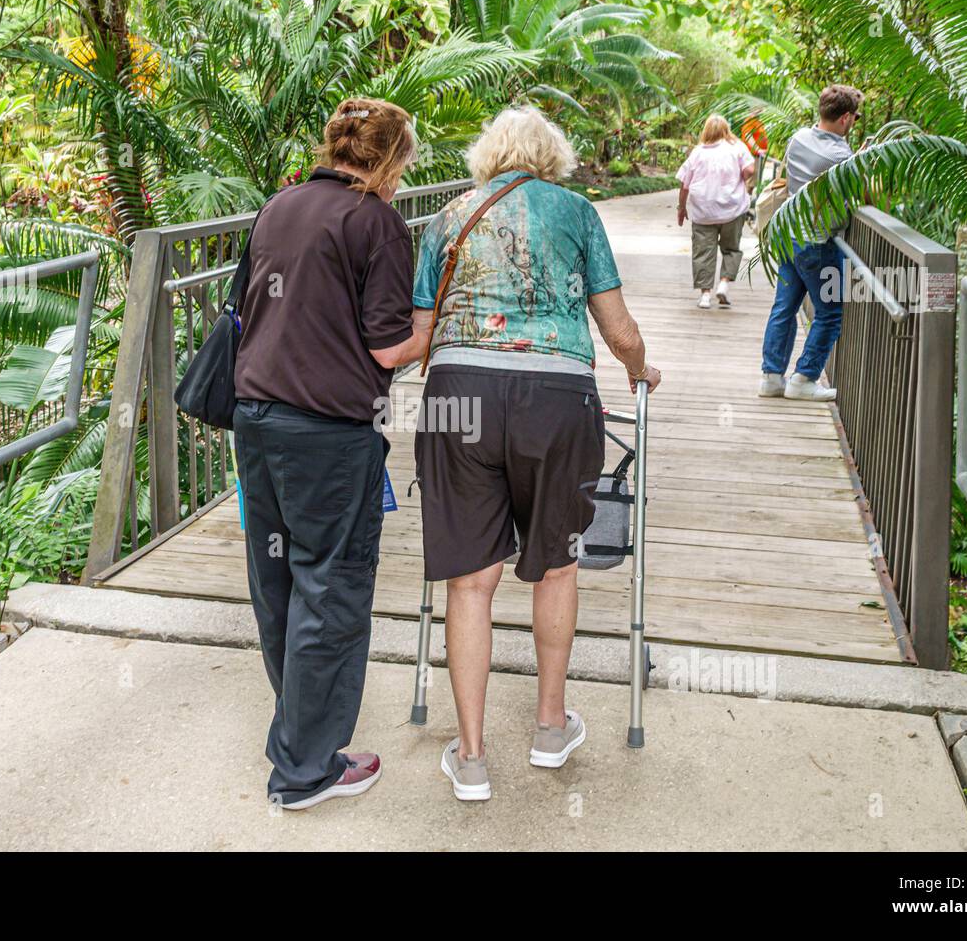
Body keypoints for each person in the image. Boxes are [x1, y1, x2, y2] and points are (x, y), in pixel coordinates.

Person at [411, 107, 661, 802]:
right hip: (557, 398)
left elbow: (422, 331)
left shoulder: (445, 217)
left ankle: (470, 757)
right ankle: (551, 727)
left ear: (486, 154)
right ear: (555, 156)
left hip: (459, 394)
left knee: (470, 580)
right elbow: (617, 327)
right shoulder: (577, 212)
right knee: (555, 567)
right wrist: (640, 367)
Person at [232, 98, 431, 810]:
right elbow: (388, 346)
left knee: (279, 583)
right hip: (327, 434)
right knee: (333, 588)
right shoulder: (373, 221)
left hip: (256, 421)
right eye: (405, 163)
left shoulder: (279, 205)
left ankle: (297, 733)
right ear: (389, 159)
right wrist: (436, 327)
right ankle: (307, 770)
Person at [759, 84, 865, 401]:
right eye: (856, 117)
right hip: (817, 242)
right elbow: (854, 196)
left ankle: (772, 377)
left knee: (784, 307)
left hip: (787, 233)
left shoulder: (798, 139)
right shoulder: (841, 155)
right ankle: (804, 378)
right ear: (846, 118)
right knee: (829, 313)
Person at [676, 115, 756, 309]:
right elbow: (750, 170)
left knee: (703, 253)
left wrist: (681, 208)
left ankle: (705, 296)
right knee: (731, 249)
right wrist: (742, 177)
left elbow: (684, 185)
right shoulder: (736, 147)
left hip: (703, 212)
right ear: (726, 130)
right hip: (732, 210)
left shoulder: (697, 152)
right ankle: (724, 284)